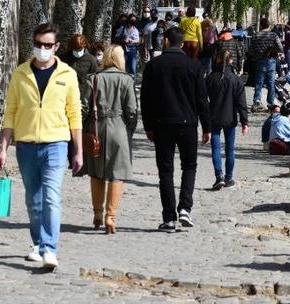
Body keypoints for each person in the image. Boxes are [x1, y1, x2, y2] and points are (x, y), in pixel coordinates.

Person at [0, 23, 83, 270]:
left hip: (56, 144)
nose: (42, 49)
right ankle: (37, 243)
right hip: (25, 145)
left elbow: (74, 113)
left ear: (56, 47)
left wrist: (77, 150)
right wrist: (3, 147)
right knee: (33, 200)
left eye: (47, 45)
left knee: (51, 198)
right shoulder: (20, 73)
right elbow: (10, 112)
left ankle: (50, 249)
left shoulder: (67, 75)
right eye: (38, 44)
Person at [141, 27, 211, 232]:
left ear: (165, 42)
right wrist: (207, 126)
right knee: (189, 166)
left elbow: (146, 99)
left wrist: (148, 125)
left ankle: (169, 217)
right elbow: (202, 100)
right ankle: (185, 208)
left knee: (165, 171)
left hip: (162, 124)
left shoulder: (153, 66)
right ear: (182, 43)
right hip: (188, 123)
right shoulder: (193, 66)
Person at [82, 45, 137, 234]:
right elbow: (131, 109)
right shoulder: (126, 80)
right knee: (116, 174)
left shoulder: (94, 78)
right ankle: (110, 217)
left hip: (97, 128)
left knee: (96, 173)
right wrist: (129, 129)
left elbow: (84, 107)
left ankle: (97, 213)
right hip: (119, 128)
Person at [205, 49, 248, 190]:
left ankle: (219, 176)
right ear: (230, 61)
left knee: (216, 149)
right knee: (230, 150)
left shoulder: (211, 78)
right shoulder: (236, 80)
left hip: (214, 116)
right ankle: (229, 177)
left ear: (217, 60)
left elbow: (203, 100)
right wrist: (244, 122)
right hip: (230, 118)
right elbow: (241, 103)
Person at [248, 17, 284, 112]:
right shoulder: (273, 35)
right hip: (271, 61)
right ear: (269, 25)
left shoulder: (256, 35)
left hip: (259, 61)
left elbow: (251, 50)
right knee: (271, 83)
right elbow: (280, 47)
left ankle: (257, 101)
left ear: (261, 25)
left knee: (259, 82)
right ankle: (270, 103)